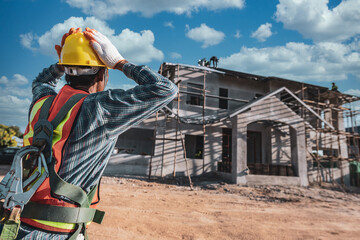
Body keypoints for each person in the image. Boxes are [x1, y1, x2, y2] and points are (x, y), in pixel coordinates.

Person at [0, 27, 178, 239]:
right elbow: (165, 89)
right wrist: (120, 62)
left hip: (16, 225)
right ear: (103, 74)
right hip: (56, 232)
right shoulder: (98, 108)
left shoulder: (42, 101)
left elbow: (41, 82)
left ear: (67, 71)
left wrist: (65, 61)